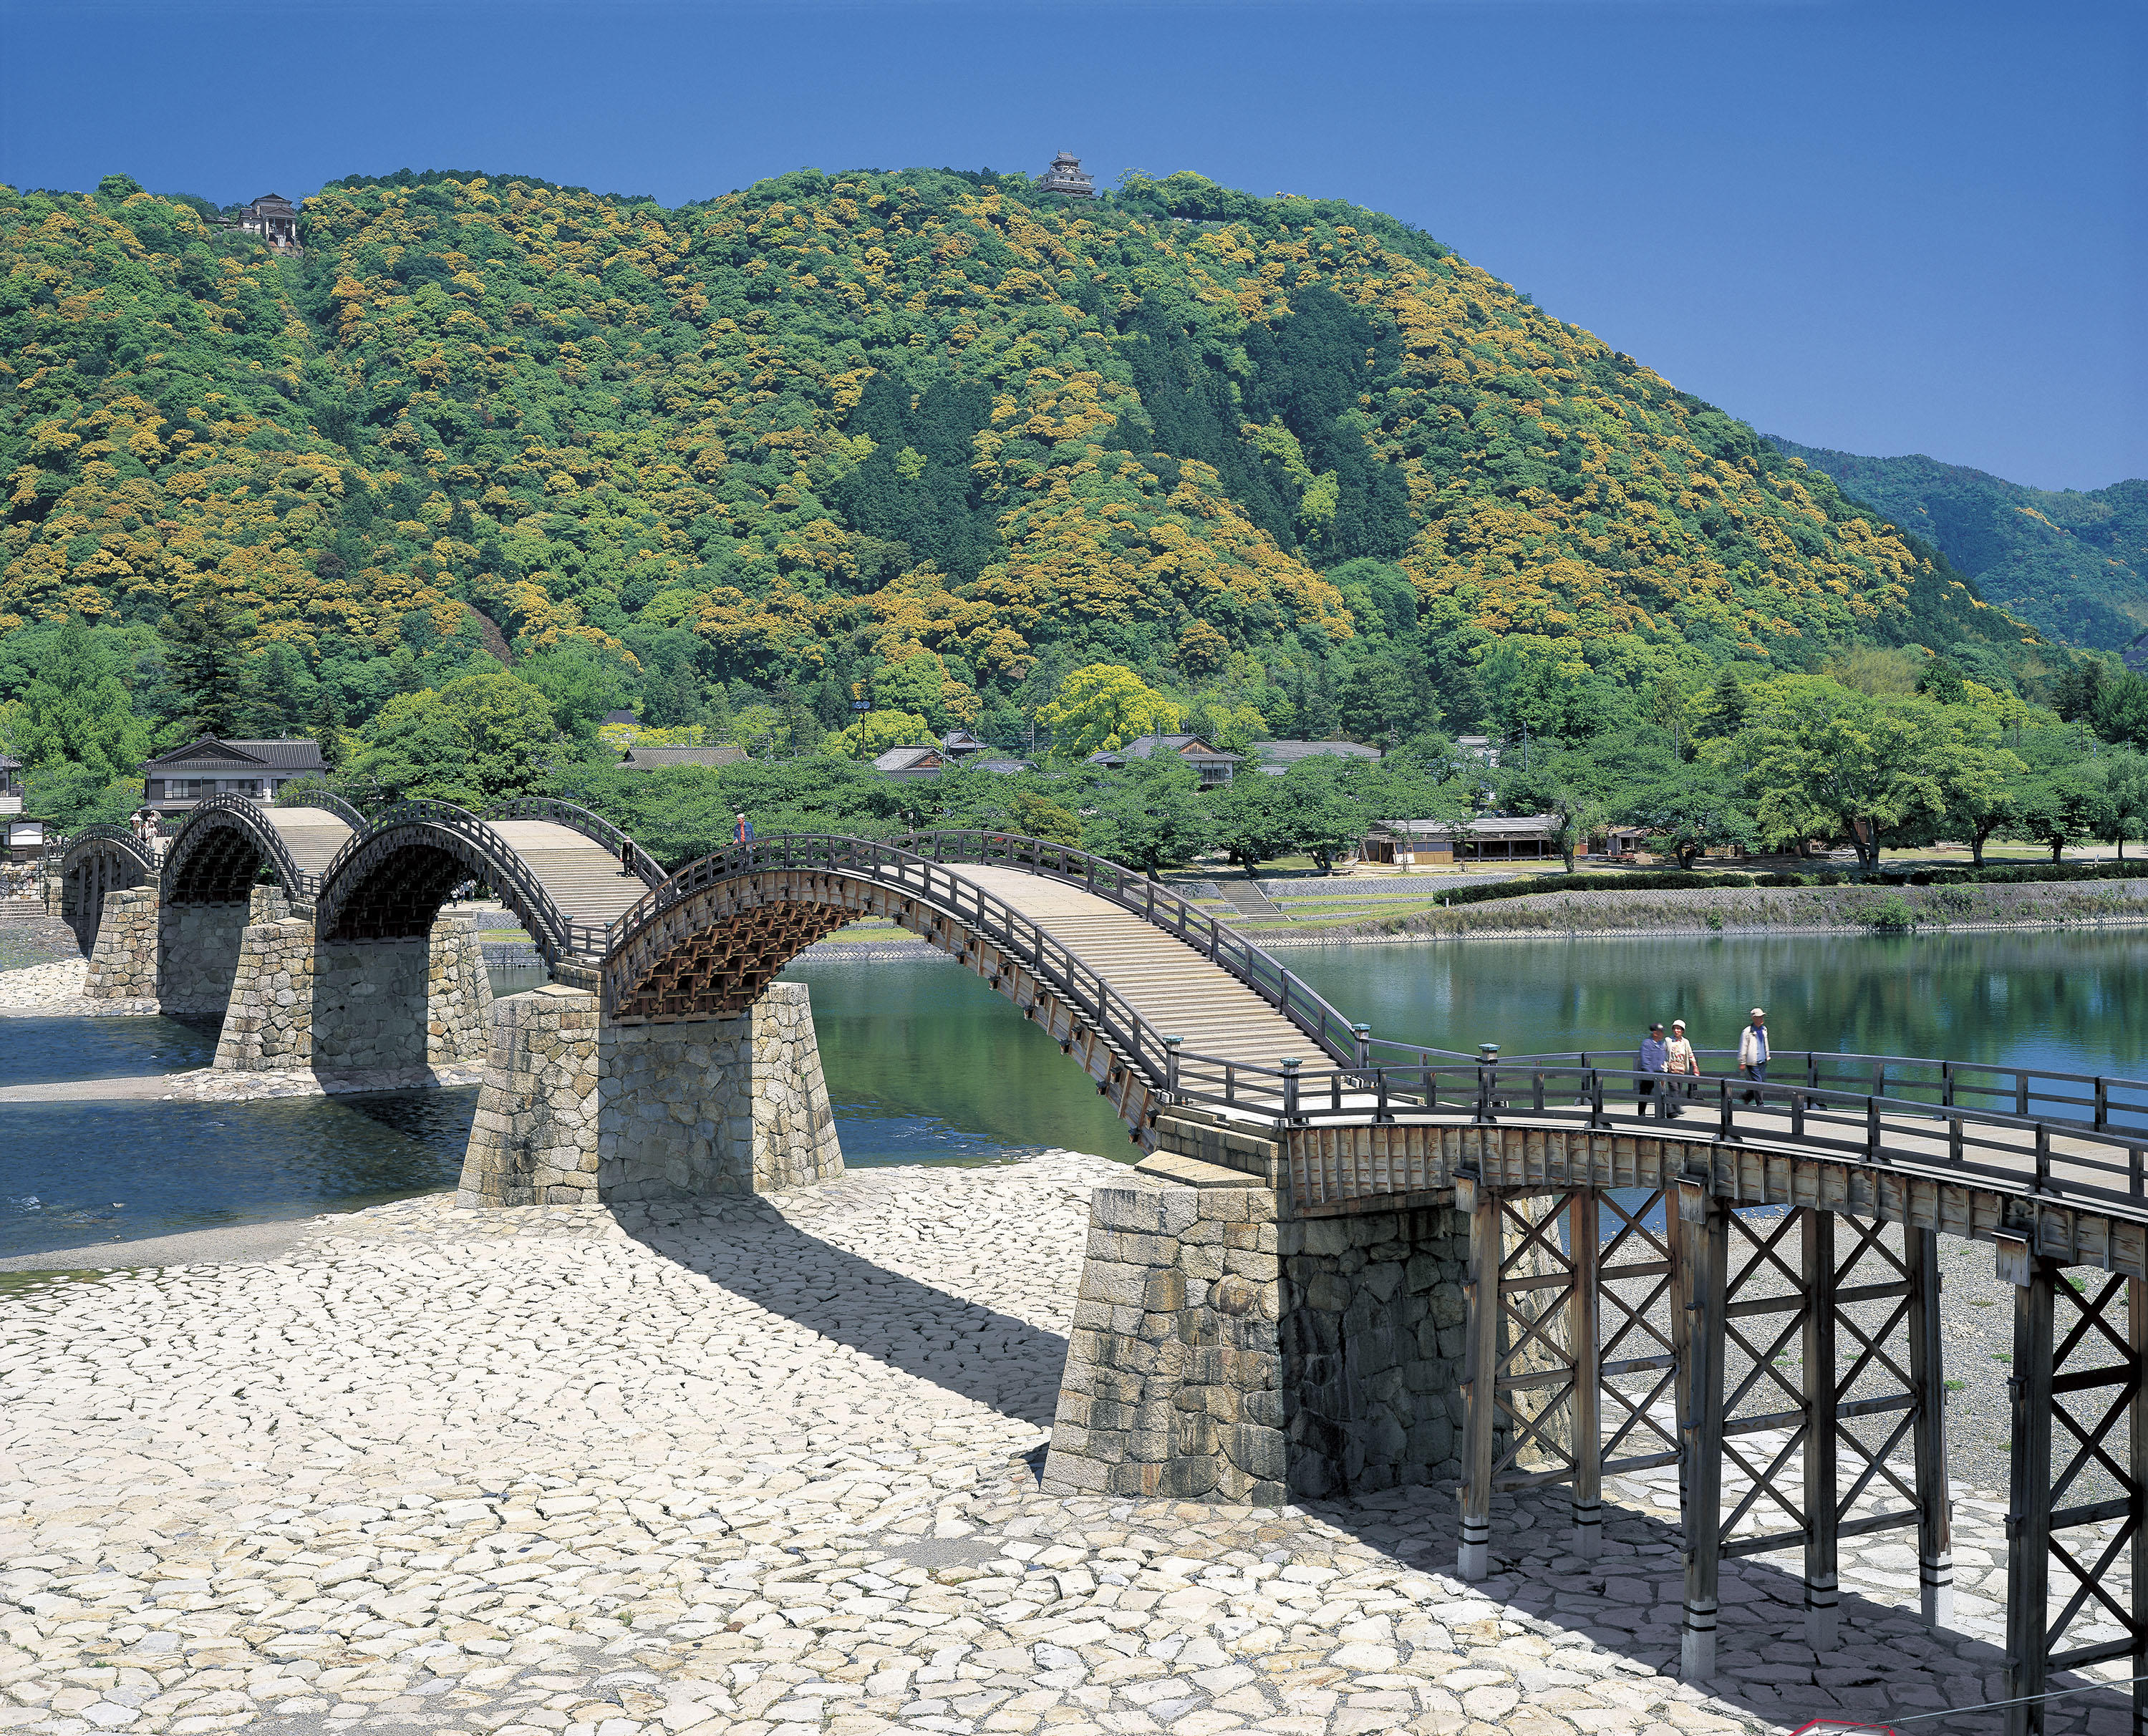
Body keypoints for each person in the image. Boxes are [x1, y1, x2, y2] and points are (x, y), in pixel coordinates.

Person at [1665, 1019, 1699, 1117]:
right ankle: (1677, 1108)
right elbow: (1663, 1053)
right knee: (1674, 1089)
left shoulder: (1685, 1042)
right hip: (1671, 1069)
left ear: (1683, 1031)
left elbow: (1690, 1054)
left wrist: (1695, 1067)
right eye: (1675, 1029)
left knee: (1677, 1090)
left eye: (1679, 1029)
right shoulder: (1668, 1040)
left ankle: (1670, 1110)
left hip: (1681, 1070)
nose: (1676, 1031)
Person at [1738, 1007, 1769, 1103]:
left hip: (1762, 1060)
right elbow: (1743, 1047)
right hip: (1752, 1062)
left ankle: (1747, 1097)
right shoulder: (1747, 1031)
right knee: (1759, 1083)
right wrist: (1742, 1062)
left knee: (1761, 1082)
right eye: (1759, 1017)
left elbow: (1765, 1043)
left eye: (1762, 1017)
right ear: (1754, 1018)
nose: (1762, 1019)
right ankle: (1760, 1104)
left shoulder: (1764, 1029)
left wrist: (1767, 1055)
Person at [1636, 1022, 1669, 1116]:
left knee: (1662, 1095)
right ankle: (1641, 1116)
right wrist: (1652, 1075)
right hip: (1648, 1075)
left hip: (1660, 1074)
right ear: (1655, 1033)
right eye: (1661, 1032)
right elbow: (1645, 1063)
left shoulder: (1661, 1044)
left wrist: (1663, 1071)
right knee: (1644, 1095)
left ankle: (1661, 1115)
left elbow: (1663, 1059)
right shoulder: (1647, 1044)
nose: (1663, 1033)